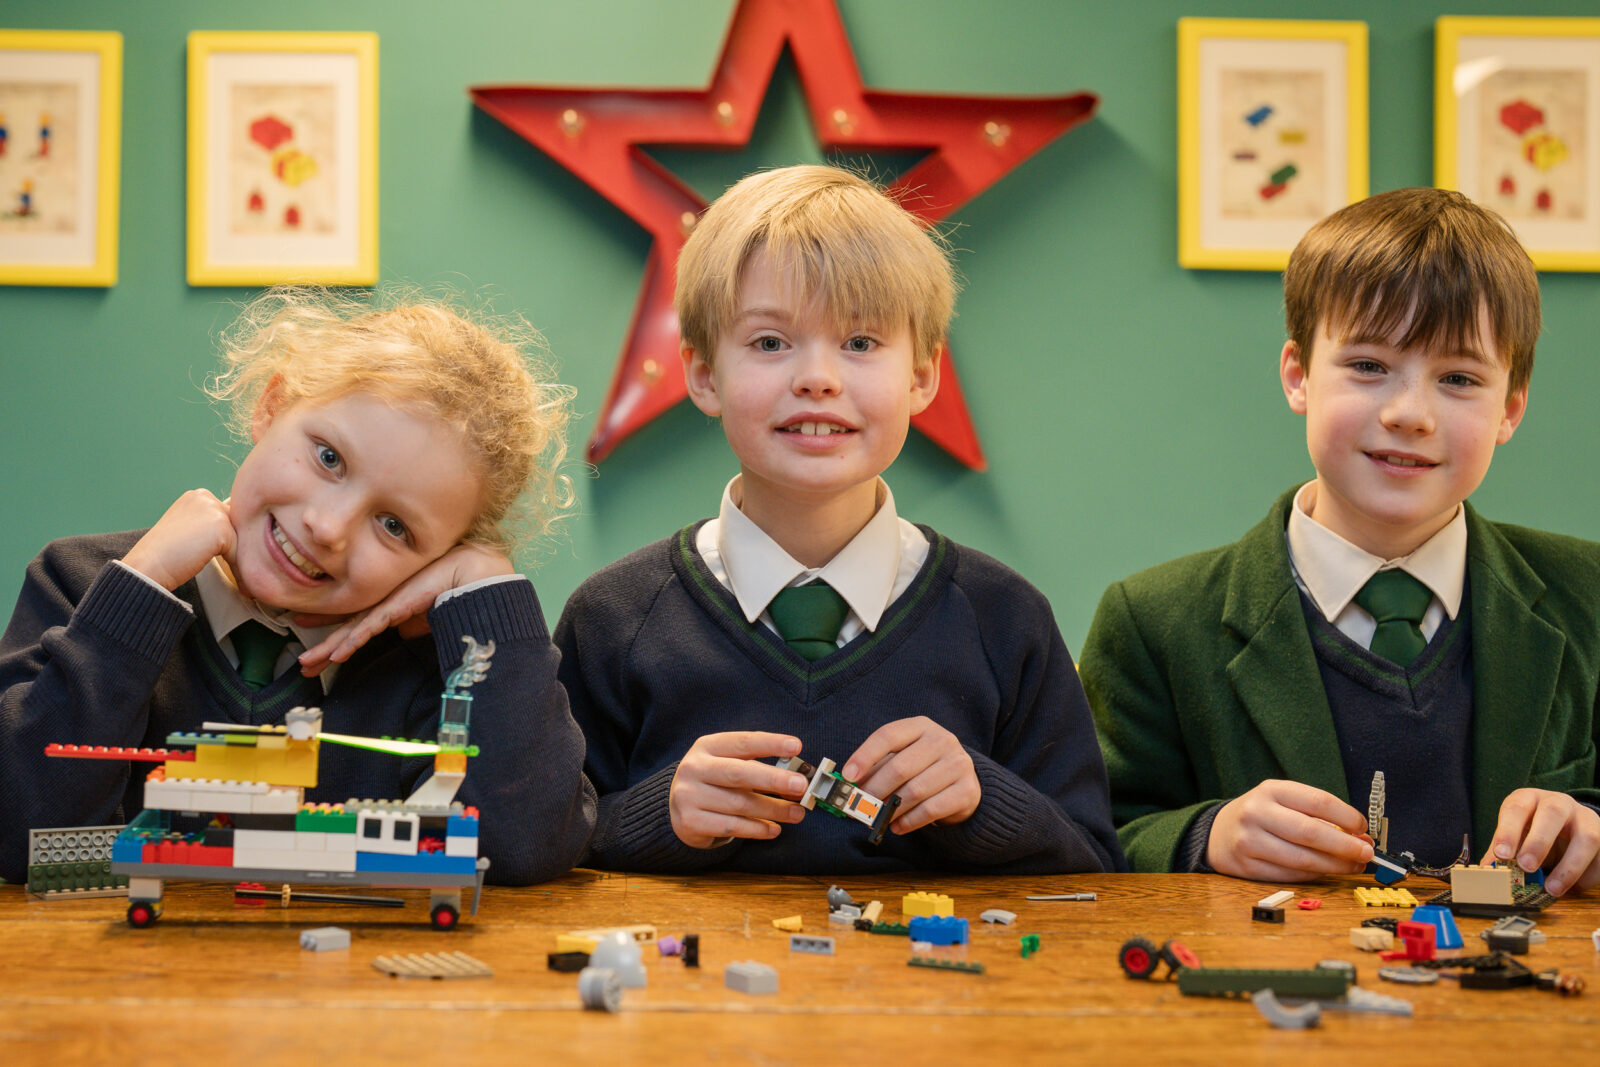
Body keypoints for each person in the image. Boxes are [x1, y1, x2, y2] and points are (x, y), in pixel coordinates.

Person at [555, 164, 1122, 875]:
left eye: (860, 343)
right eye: (769, 342)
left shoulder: (1007, 620)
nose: (817, 377)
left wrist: (986, 800)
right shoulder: (610, 619)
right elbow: (542, 849)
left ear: (922, 374)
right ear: (702, 376)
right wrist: (652, 814)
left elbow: (1099, 867)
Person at [1081, 188, 1600, 895]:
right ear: (1297, 375)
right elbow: (1091, 832)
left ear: (1511, 406)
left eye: (1458, 378)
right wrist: (1207, 835)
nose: (1408, 413)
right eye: (1367, 366)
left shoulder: (1588, 594)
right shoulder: (1154, 622)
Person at [0, 288, 594, 885]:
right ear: (273, 403)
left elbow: (521, 847)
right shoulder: (81, 583)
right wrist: (140, 587)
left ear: (442, 558)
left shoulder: (439, 671)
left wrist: (487, 587)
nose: (328, 527)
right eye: (330, 458)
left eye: (394, 527)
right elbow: (13, 827)